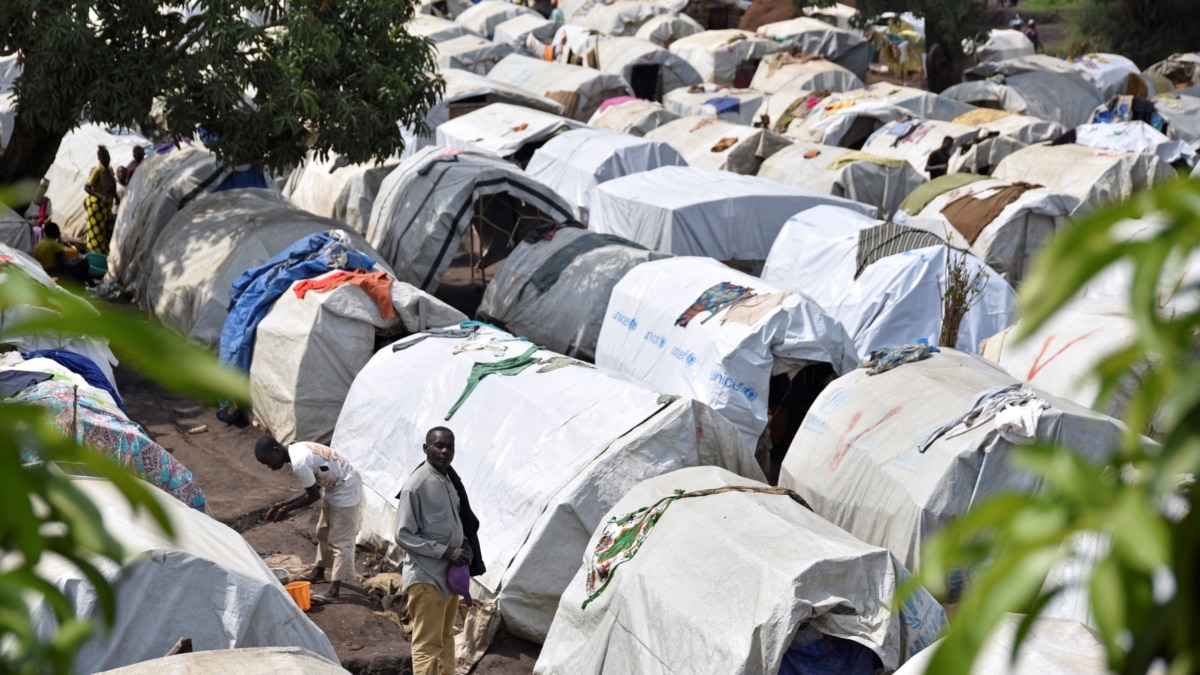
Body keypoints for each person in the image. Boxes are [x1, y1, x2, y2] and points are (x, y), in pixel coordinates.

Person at [394, 427, 483, 675]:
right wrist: (444, 551)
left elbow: (456, 521)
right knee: (426, 645)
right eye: (438, 446)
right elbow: (402, 534)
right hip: (427, 578)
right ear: (426, 448)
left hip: (447, 577)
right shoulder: (416, 485)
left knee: (445, 639)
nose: (445, 451)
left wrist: (464, 543)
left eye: (449, 447)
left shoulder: (447, 480)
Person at [256, 435, 362, 605]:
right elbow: (315, 485)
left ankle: (334, 591)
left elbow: (313, 496)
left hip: (346, 487)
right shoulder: (296, 450)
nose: (269, 466)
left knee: (340, 541)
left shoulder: (299, 461)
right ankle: (318, 573)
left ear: (276, 450)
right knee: (323, 530)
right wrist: (282, 504)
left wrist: (286, 509)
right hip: (334, 485)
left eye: (268, 461)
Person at [83, 145, 118, 255]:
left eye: (108, 157)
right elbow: (87, 187)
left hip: (106, 205)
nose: (107, 160)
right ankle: (95, 254)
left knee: (105, 230)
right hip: (97, 206)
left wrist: (116, 197)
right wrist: (101, 197)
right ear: (100, 159)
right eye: (104, 158)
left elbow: (112, 185)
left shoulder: (110, 169)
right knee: (96, 231)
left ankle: (104, 252)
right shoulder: (98, 170)